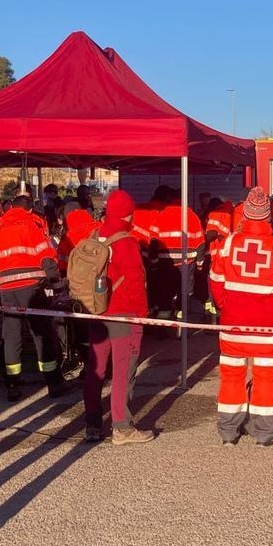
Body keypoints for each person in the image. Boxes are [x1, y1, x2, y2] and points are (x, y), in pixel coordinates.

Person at [209, 187, 273, 447]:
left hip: (233, 326)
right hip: (267, 329)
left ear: (246, 215)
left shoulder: (228, 244)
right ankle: (265, 433)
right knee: (266, 380)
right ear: (268, 216)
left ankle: (228, 432)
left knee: (231, 378)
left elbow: (216, 282)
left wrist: (227, 306)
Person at [83, 190, 155, 445]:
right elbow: (136, 282)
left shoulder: (94, 235)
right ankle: (122, 427)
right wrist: (143, 315)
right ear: (128, 213)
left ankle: (92, 424)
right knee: (123, 370)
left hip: (95, 312)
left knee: (96, 369)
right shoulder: (126, 241)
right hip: (123, 314)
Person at [0, 195, 65, 401]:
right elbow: (48, 259)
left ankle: (13, 385)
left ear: (10, 208)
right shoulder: (33, 227)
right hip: (32, 287)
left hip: (7, 289)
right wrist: (55, 283)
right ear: (30, 210)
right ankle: (53, 383)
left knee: (11, 336)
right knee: (41, 334)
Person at [149, 191, 205, 321]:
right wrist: (200, 264)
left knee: (165, 294)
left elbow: (153, 241)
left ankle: (162, 328)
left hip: (165, 263)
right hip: (186, 263)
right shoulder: (192, 216)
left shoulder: (161, 215)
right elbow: (200, 242)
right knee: (183, 294)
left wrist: (153, 262)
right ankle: (181, 326)